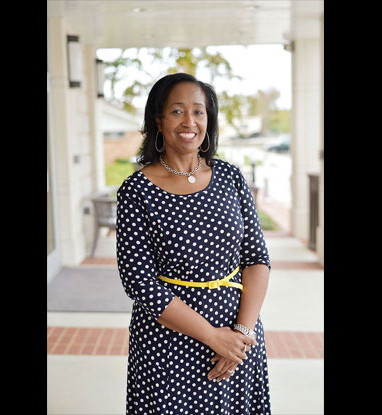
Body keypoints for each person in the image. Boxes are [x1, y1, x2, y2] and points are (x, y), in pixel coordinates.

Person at [116, 72, 271, 414]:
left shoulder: (230, 177)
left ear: (208, 119)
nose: (189, 121)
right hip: (168, 343)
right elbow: (139, 282)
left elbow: (257, 258)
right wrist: (213, 337)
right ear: (158, 120)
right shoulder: (136, 191)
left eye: (198, 111)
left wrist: (240, 334)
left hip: (238, 338)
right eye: (177, 111)